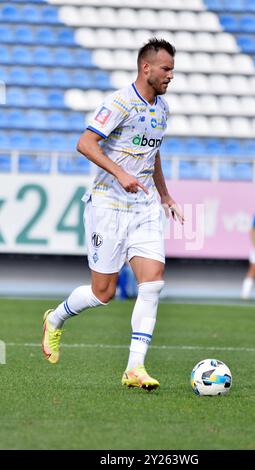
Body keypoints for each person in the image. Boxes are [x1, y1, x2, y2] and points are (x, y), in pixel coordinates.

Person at [42, 38, 184, 391]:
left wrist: (164, 194)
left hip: (144, 205)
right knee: (102, 293)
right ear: (146, 67)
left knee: (152, 283)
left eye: (173, 70)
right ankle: (55, 318)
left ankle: (135, 368)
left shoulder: (162, 109)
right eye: (166, 69)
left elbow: (153, 154)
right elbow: (85, 142)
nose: (170, 76)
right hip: (108, 203)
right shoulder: (119, 102)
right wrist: (120, 173)